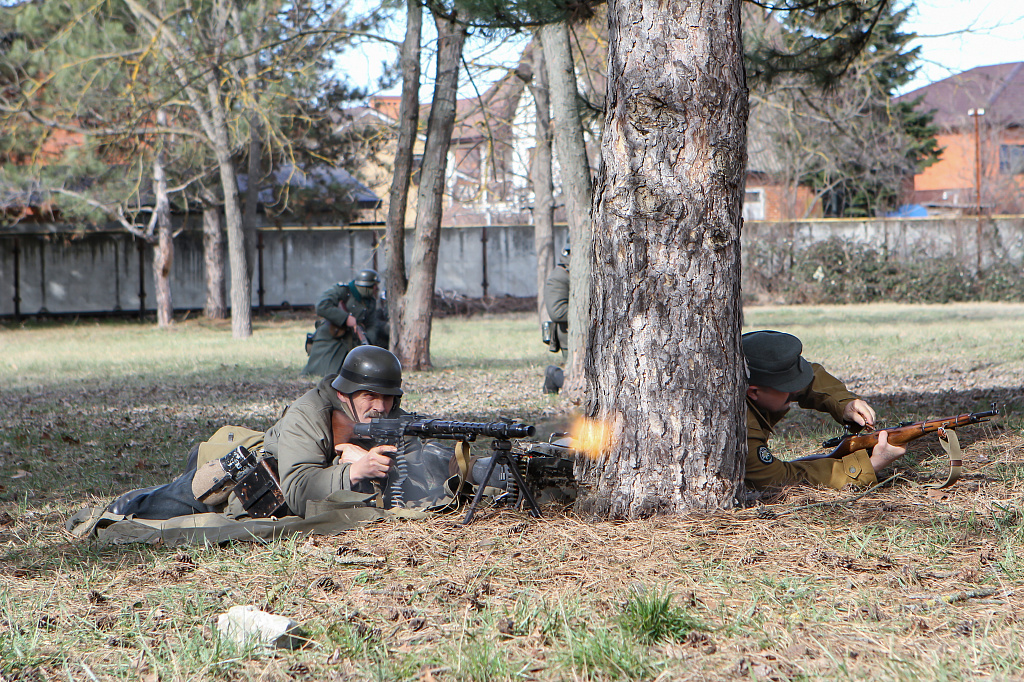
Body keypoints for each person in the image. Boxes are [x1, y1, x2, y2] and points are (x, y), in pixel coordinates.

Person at [107, 347, 436, 519]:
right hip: (237, 469)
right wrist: (354, 471)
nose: (380, 406)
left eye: (387, 397)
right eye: (370, 396)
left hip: (277, 457)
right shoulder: (308, 414)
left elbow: (423, 457)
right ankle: (134, 501)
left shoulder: (391, 417)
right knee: (179, 505)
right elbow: (297, 491)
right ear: (343, 394)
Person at [743, 330, 907, 490]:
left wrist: (845, 403)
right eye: (789, 386)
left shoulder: (753, 381)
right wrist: (869, 466)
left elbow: (808, 377)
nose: (797, 389)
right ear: (753, 392)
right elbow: (775, 479)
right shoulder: (740, 429)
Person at [303, 268, 389, 377]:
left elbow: (372, 324)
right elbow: (321, 305)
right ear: (366, 286)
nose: (376, 289)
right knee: (325, 372)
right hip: (332, 338)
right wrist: (345, 318)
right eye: (374, 286)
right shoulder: (343, 290)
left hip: (352, 342)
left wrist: (367, 342)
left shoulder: (370, 301)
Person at [542, 241, 570, 394]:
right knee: (581, 381)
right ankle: (553, 375)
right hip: (569, 336)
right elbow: (557, 311)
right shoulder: (559, 275)